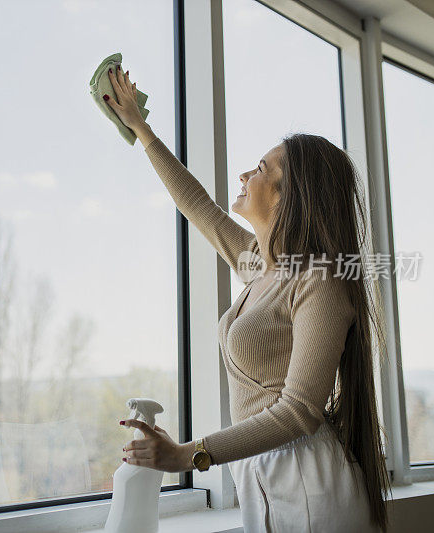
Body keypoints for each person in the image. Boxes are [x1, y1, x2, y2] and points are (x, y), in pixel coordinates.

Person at [103, 65, 390, 532]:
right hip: (262, 477)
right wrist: (141, 127)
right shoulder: (260, 265)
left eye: (259, 169)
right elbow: (197, 206)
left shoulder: (318, 282)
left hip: (310, 486)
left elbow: (298, 411)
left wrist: (188, 454)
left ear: (287, 197)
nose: (243, 174)